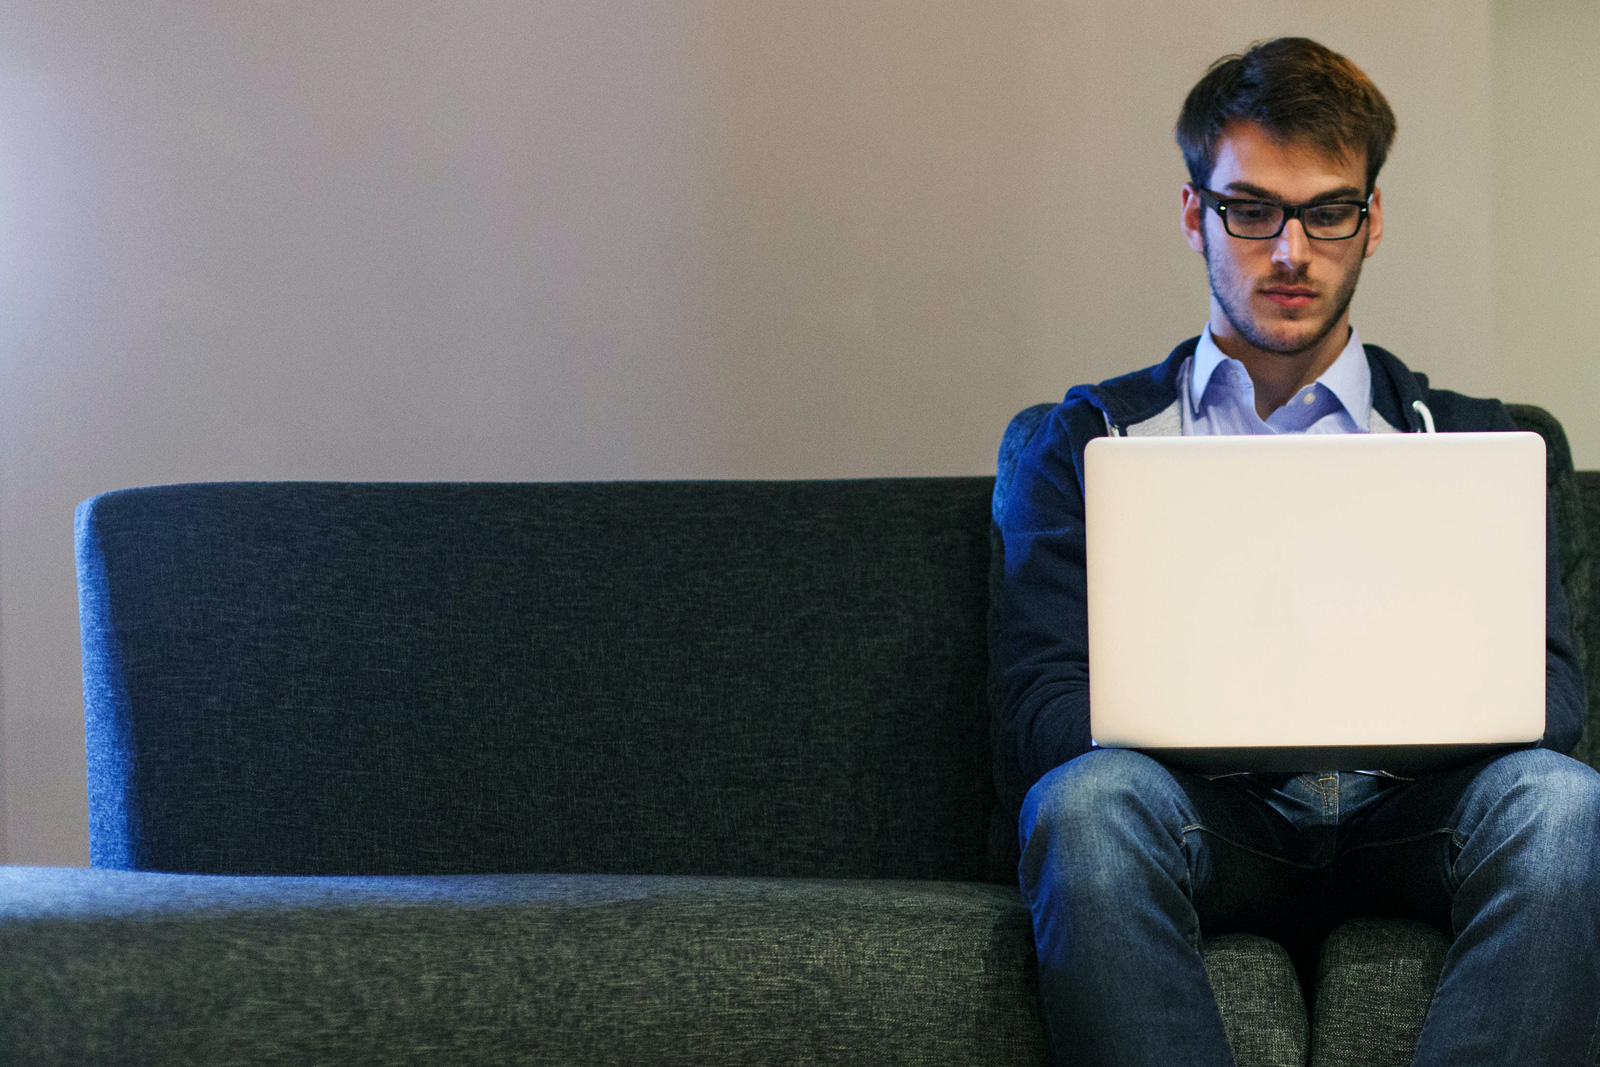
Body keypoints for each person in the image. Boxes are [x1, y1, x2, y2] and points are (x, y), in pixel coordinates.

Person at [991, 37, 1600, 1067]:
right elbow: (1037, 721)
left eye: (1327, 211)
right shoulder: (1083, 441)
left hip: (1410, 812)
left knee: (1563, 808)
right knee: (1084, 805)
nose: (1288, 250)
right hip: (1203, 815)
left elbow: (1551, 698)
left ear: (1371, 222)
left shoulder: (1475, 439)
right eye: (1249, 209)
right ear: (1194, 214)